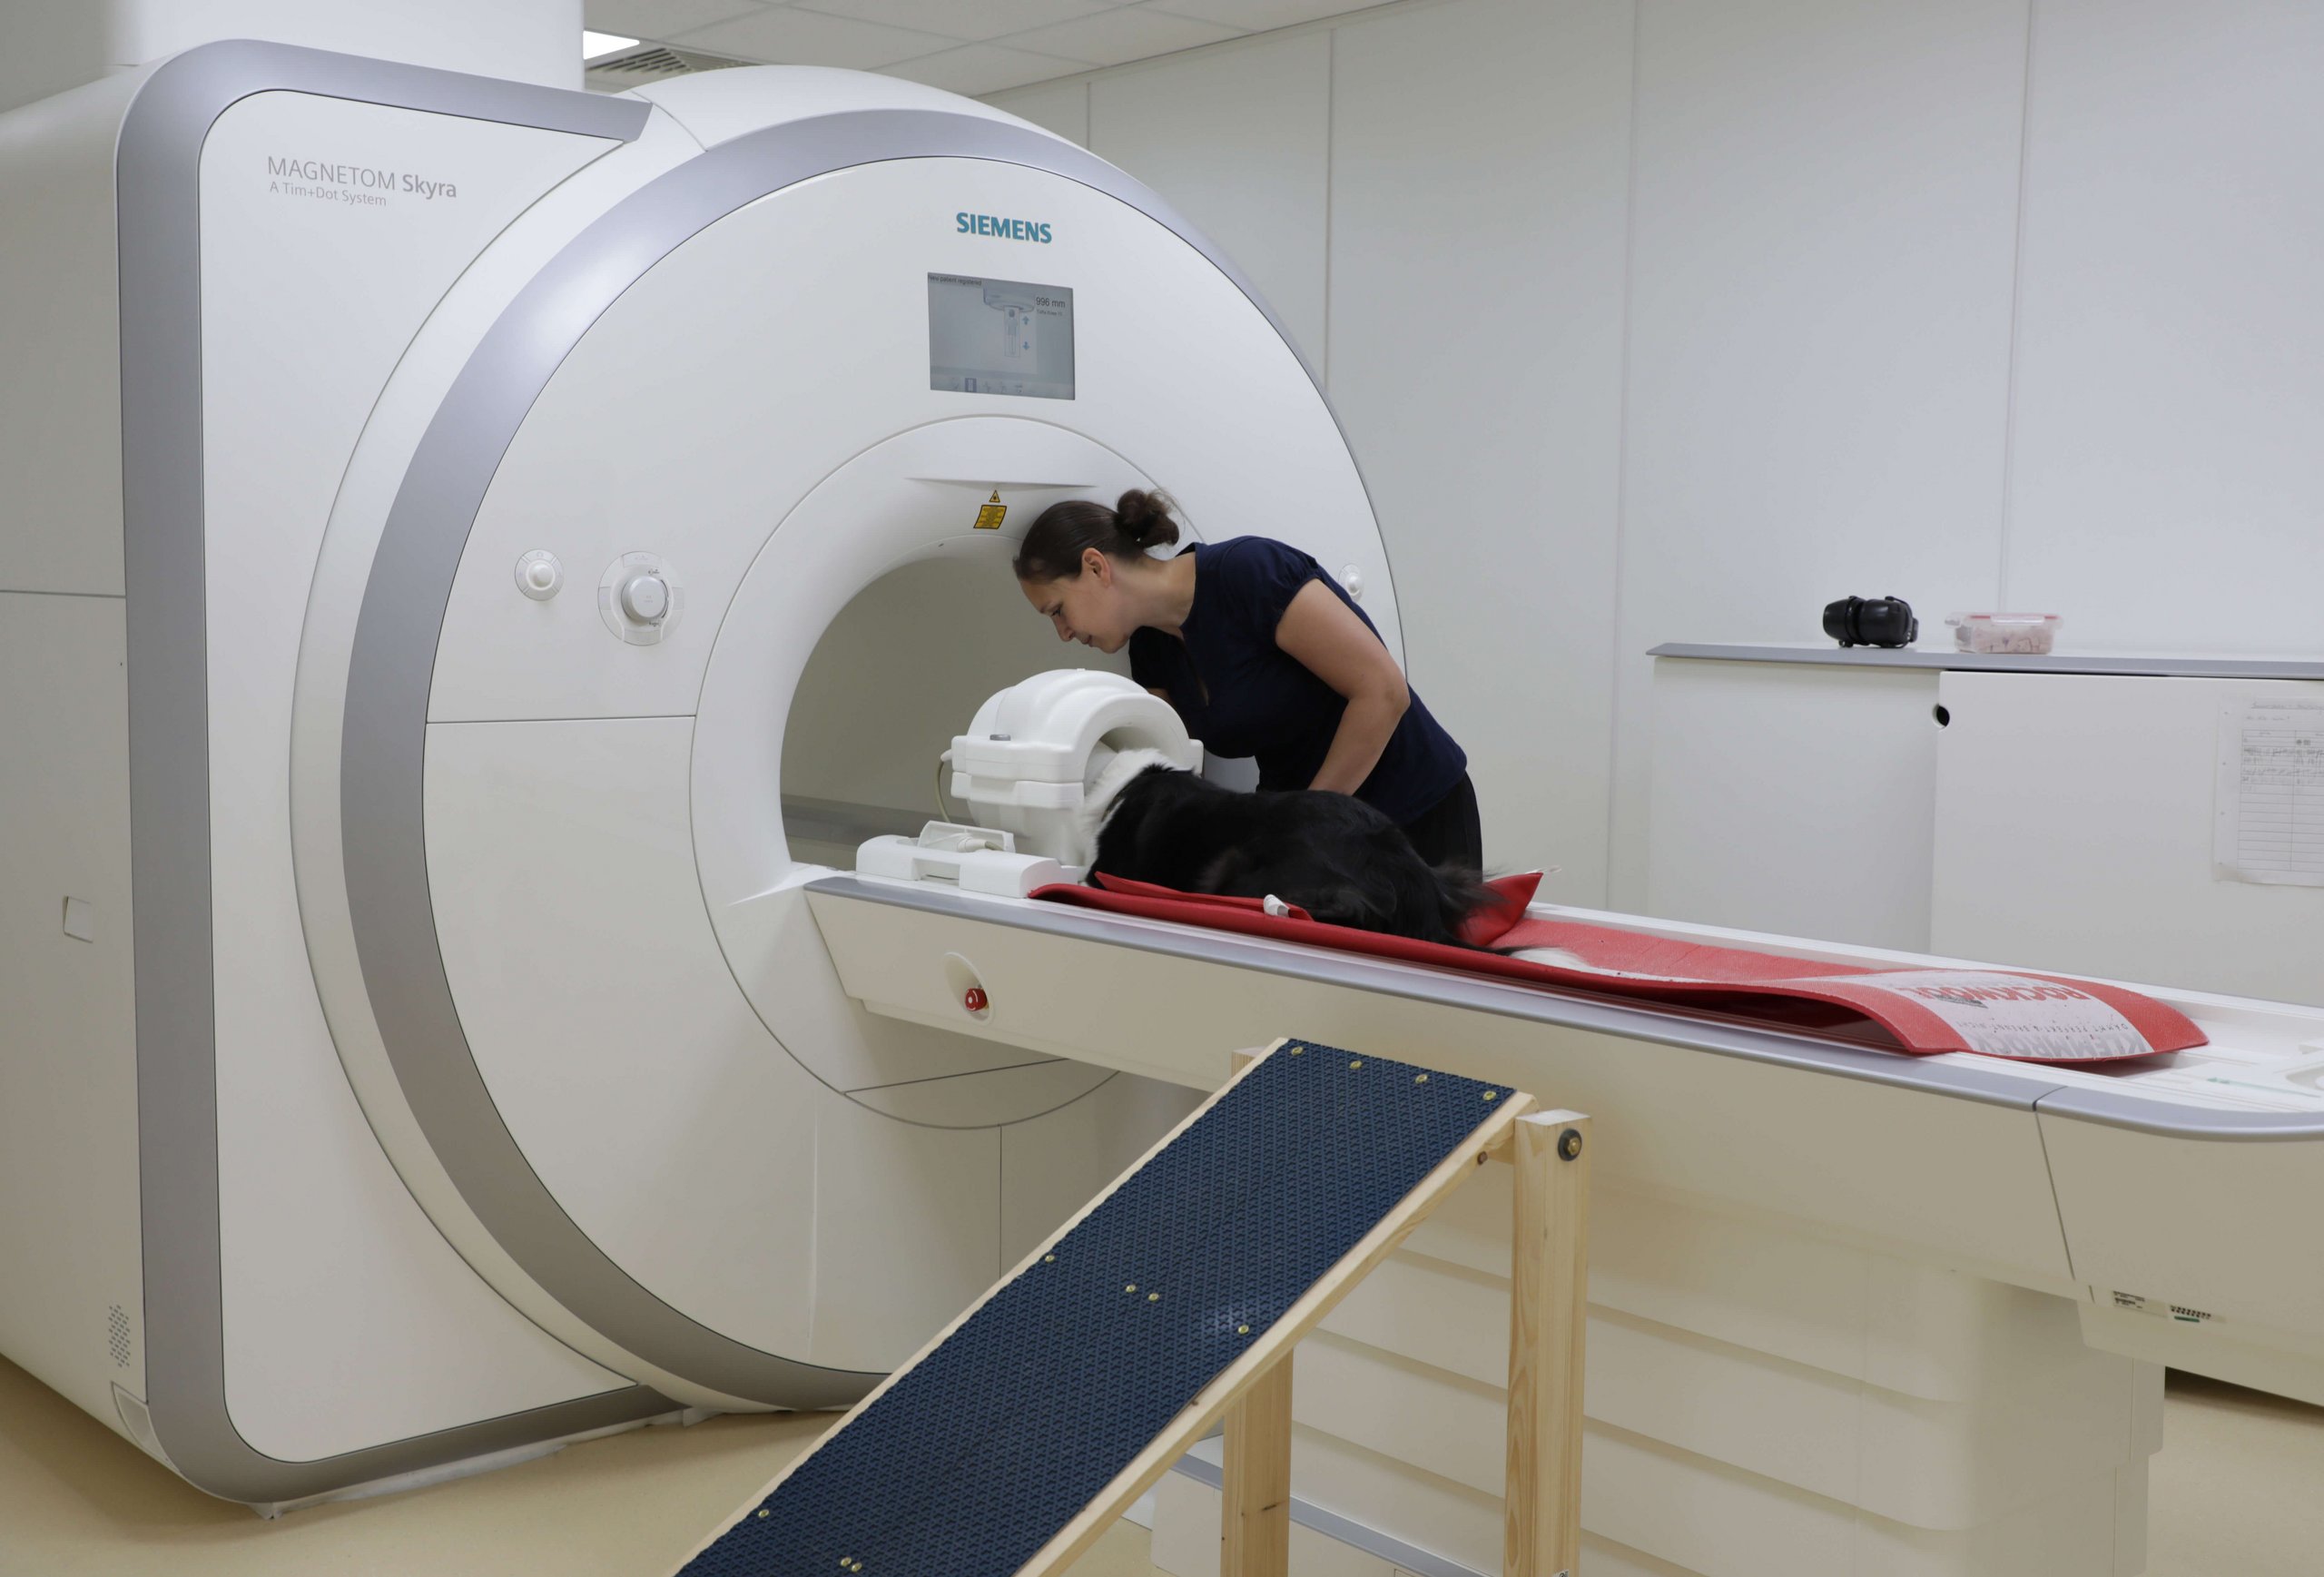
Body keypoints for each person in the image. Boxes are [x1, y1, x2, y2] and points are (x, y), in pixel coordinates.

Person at [1013, 488, 1481, 867]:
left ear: (1096, 567)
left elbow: (1382, 692)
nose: (1064, 632)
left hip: (1415, 813)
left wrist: (1301, 824)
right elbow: (1168, 772)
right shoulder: (1151, 649)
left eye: (1058, 610)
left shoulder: (1250, 573)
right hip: (1315, 833)